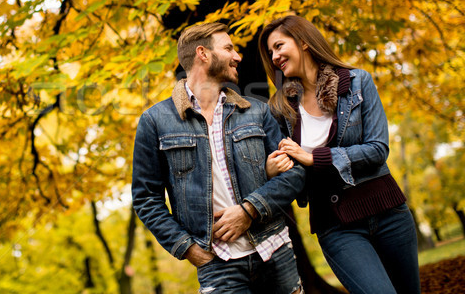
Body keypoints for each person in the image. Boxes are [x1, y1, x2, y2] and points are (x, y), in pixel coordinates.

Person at [132, 22, 305, 294]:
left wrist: (250, 210)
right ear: (203, 53)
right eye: (229, 48)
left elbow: (294, 173)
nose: (237, 56)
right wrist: (186, 248)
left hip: (274, 249)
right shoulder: (155, 122)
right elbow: (146, 197)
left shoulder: (257, 112)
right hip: (217, 263)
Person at [259, 15, 420, 294]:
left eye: (279, 46)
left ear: (304, 42)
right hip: (335, 225)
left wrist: (316, 158)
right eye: (270, 52)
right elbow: (285, 169)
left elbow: (378, 149)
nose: (274, 57)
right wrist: (271, 170)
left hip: (388, 213)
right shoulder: (281, 109)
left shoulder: (358, 82)